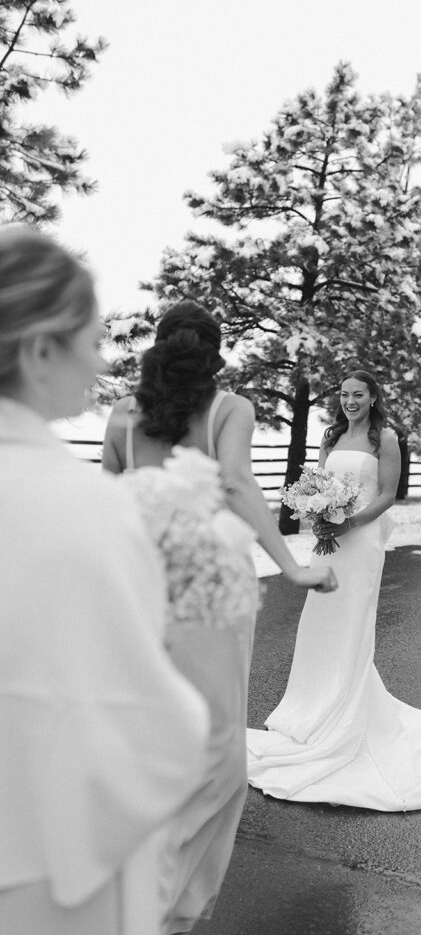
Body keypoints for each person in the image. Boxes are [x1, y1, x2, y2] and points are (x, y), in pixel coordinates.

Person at [0, 227, 210, 935]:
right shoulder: (85, 509)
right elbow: (141, 716)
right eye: (91, 341)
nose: (99, 363)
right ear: (39, 351)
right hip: (39, 868)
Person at [102, 300, 336, 934]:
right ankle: (160, 904)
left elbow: (109, 496)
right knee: (217, 752)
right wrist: (292, 566)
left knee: (145, 738)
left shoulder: (122, 413)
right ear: (214, 349)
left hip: (140, 585)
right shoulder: (230, 409)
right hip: (209, 587)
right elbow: (235, 482)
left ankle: (127, 886)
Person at [247, 369, 421, 810]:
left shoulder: (385, 438)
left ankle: (344, 716)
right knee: (320, 621)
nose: (350, 401)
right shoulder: (331, 437)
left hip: (361, 542)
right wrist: (316, 512)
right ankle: (310, 709)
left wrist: (349, 522)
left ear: (372, 397)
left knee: (350, 624)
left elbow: (386, 495)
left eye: (358, 394)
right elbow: (318, 482)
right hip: (328, 542)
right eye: (345, 394)